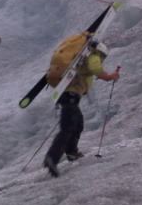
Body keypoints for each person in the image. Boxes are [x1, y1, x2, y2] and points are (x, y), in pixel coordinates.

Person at [43, 42, 120, 177]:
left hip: (69, 96)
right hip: (70, 96)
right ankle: (52, 158)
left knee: (78, 123)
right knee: (68, 127)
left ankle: (72, 152)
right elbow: (95, 67)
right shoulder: (94, 55)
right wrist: (110, 77)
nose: (102, 60)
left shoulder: (83, 59)